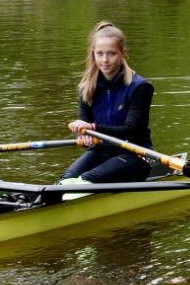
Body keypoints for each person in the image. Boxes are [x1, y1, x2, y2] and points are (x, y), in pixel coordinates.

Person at [60, 21, 154, 188]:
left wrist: (93, 128)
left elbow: (130, 130)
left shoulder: (140, 87)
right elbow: (84, 124)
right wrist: (83, 134)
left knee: (86, 180)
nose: (105, 60)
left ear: (122, 53)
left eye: (111, 53)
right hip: (100, 151)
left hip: (136, 154)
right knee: (65, 181)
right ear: (93, 54)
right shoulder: (87, 87)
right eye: (100, 54)